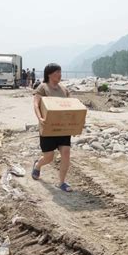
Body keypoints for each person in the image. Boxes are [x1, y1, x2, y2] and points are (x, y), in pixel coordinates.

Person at [31, 63, 72, 192]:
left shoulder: (64, 90)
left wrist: (73, 126)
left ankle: (62, 182)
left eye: (60, 72)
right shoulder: (42, 88)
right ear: (49, 74)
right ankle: (38, 165)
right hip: (48, 127)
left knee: (66, 153)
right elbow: (36, 105)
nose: (59, 75)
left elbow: (71, 107)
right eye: (56, 73)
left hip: (63, 128)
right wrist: (40, 118)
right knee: (49, 157)